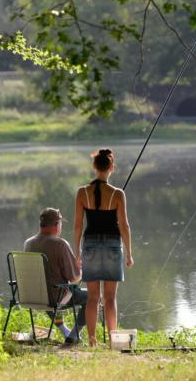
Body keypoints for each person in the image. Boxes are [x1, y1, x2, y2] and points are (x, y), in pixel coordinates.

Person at [74, 148, 133, 346]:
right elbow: (124, 226)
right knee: (110, 298)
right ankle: (113, 340)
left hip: (89, 245)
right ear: (111, 168)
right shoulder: (118, 194)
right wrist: (129, 254)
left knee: (92, 298)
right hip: (112, 246)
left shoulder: (82, 192)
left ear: (94, 167)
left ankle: (92, 340)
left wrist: (77, 252)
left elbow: (77, 226)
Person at [23, 207, 87, 343]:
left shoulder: (28, 243)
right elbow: (74, 278)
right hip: (53, 298)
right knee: (93, 296)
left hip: (31, 296)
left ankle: (66, 332)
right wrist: (81, 269)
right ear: (57, 225)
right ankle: (73, 336)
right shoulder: (60, 245)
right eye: (61, 224)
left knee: (46, 287)